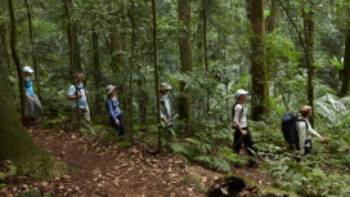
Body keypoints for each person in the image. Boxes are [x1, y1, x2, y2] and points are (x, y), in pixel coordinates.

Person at [232, 89, 256, 156]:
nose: (246, 96)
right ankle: (234, 162)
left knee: (249, 144)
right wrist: (241, 131)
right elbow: (235, 120)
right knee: (236, 147)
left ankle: (252, 161)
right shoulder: (238, 106)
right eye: (244, 95)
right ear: (240, 97)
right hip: (240, 129)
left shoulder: (242, 105)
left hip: (244, 128)